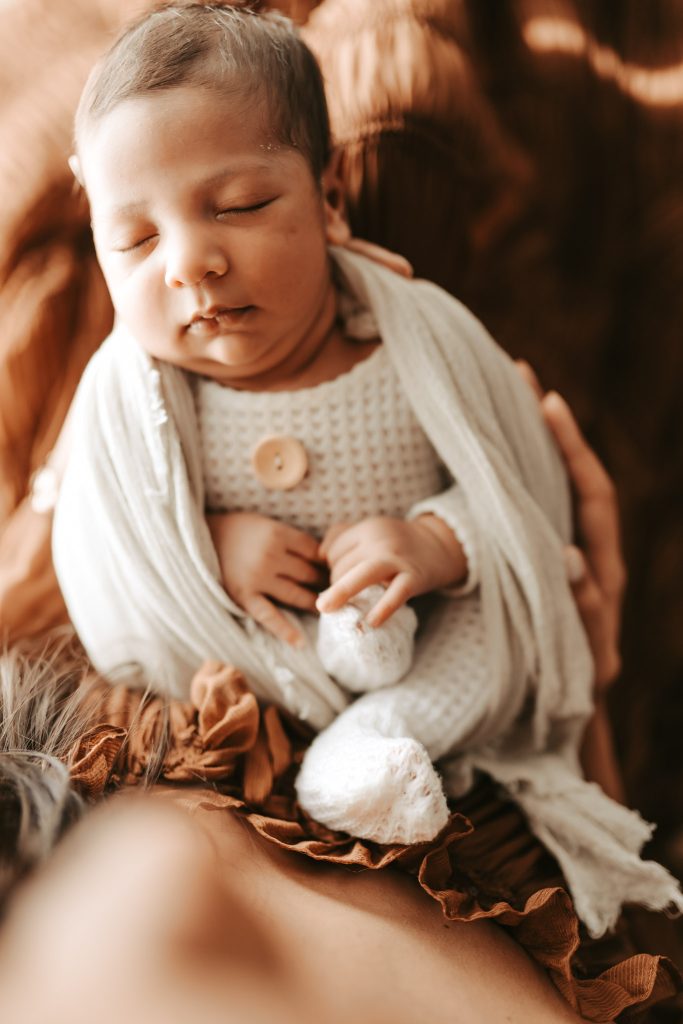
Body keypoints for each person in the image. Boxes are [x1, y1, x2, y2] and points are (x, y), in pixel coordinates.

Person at [51, 3, 681, 938]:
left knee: (482, 633)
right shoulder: (129, 404)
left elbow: (518, 494)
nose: (190, 262)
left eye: (241, 205)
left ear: (331, 194)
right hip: (239, 724)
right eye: (134, 239)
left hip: (438, 655)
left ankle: (378, 745)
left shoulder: (418, 342)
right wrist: (204, 544)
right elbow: (109, 542)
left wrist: (436, 542)